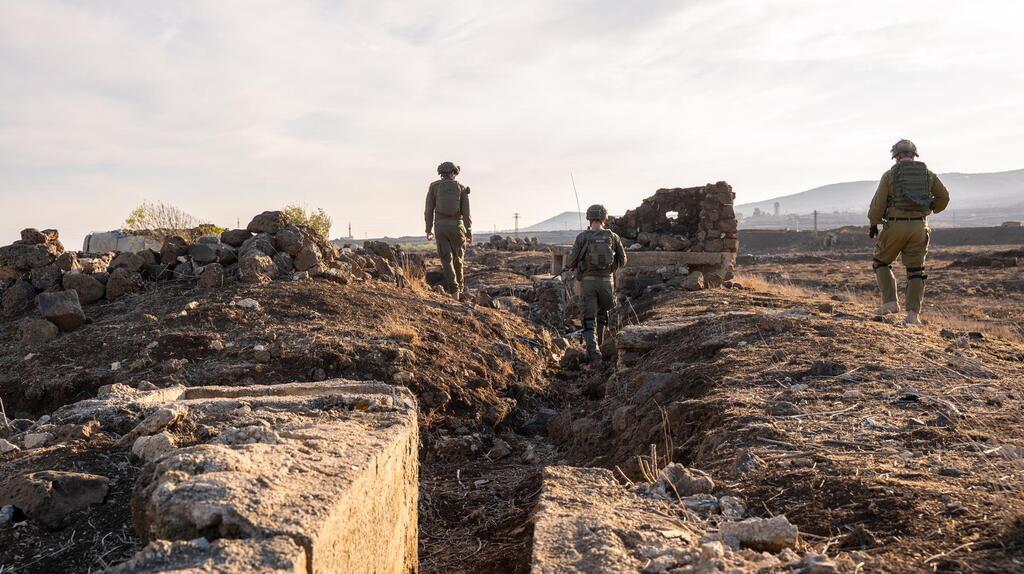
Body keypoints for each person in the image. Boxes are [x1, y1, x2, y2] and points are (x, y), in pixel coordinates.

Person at [868, 139, 950, 325]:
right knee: (916, 271)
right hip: (919, 226)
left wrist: (874, 223)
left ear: (896, 156)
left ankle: (890, 302)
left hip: (896, 225)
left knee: (881, 262)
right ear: (914, 154)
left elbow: (878, 204)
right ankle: (913, 315)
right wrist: (930, 208)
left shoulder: (890, 175)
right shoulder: (928, 174)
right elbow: (944, 197)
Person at [565, 204, 626, 367]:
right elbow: (623, 260)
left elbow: (571, 262)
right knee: (602, 316)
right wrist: (609, 270)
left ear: (589, 218)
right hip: (607, 282)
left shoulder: (582, 237)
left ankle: (594, 354)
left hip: (588, 283)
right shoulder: (613, 237)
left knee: (588, 319)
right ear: (605, 218)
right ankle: (599, 348)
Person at [425, 162, 472, 298]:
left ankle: (454, 290)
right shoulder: (461, 188)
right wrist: (468, 232)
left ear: (441, 173)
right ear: (454, 172)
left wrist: (428, 229)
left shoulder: (434, 187)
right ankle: (461, 290)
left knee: (446, 259)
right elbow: (466, 213)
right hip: (457, 227)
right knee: (459, 260)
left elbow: (429, 210)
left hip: (440, 226)